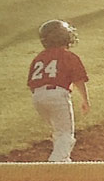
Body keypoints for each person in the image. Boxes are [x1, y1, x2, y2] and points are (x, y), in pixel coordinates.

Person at [26, 18, 90, 163]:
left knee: (59, 132)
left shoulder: (39, 58)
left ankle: (64, 168)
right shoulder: (68, 56)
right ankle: (54, 166)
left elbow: (32, 84)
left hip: (38, 97)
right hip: (57, 96)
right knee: (66, 134)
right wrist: (85, 100)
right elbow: (79, 80)